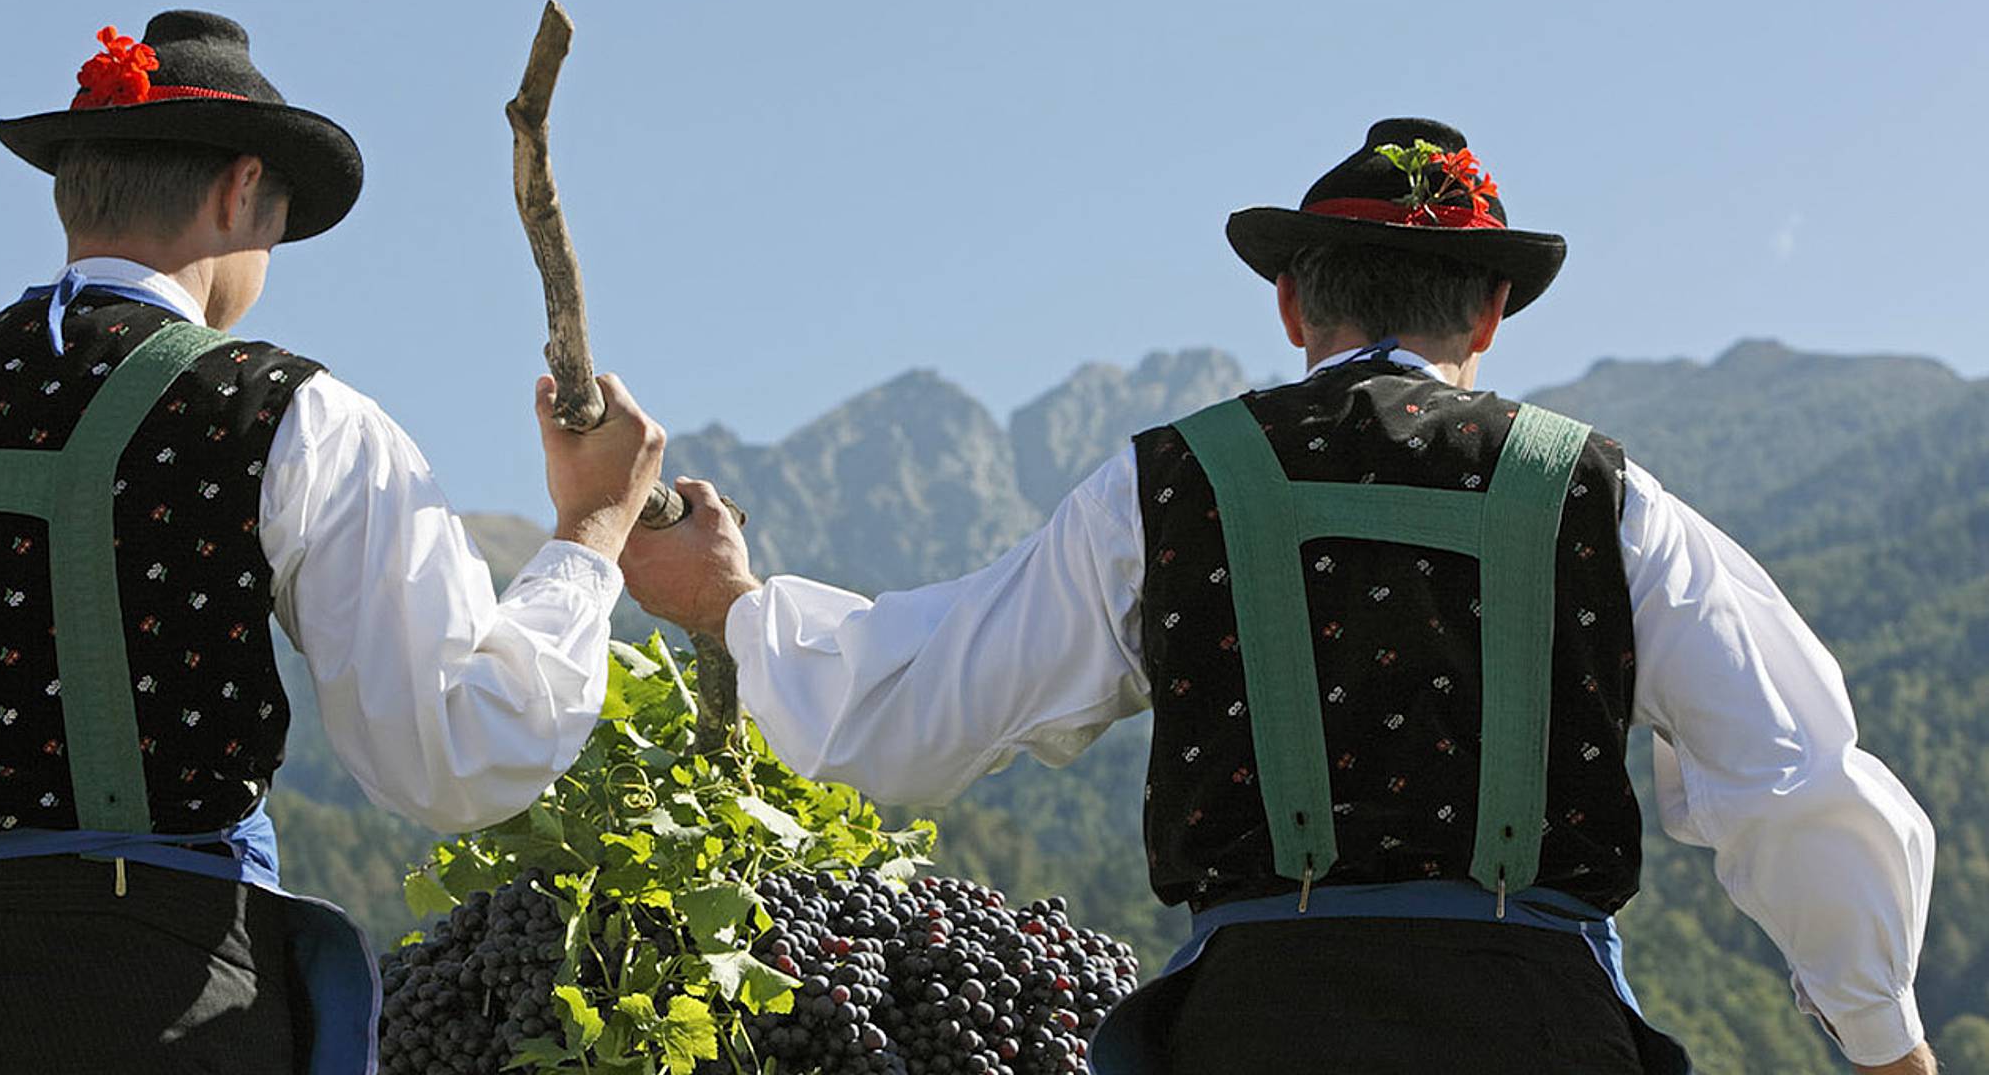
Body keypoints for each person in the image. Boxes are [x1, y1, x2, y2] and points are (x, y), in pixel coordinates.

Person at [621, 119, 1937, 1074]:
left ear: (1292, 300)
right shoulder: (1608, 500)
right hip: (1541, 1027)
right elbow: (1795, 775)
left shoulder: (1163, 487)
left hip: (1257, 1026)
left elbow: (922, 704)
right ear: (1490, 310)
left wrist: (730, 604)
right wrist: (1882, 1038)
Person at [0, 9, 667, 1075]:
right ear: (239, 191)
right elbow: (453, 754)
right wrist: (589, 533)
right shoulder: (300, 418)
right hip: (178, 1006)